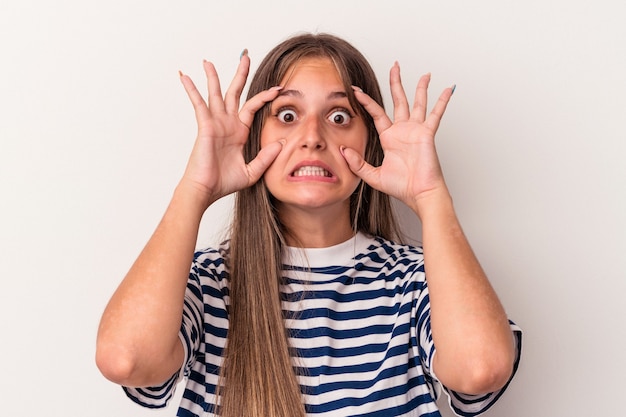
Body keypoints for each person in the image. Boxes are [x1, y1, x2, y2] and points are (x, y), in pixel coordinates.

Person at [96, 32, 522, 417]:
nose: (313, 136)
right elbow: (127, 361)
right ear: (253, 138)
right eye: (287, 115)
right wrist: (195, 189)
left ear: (371, 141)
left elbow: (480, 371)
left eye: (339, 117)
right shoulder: (210, 283)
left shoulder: (417, 281)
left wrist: (431, 199)